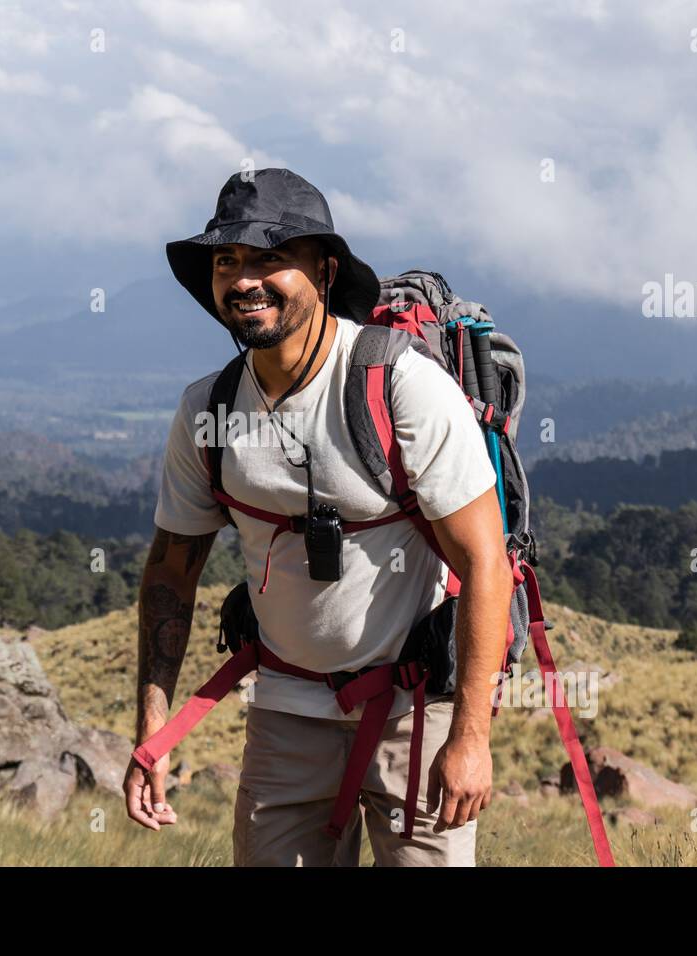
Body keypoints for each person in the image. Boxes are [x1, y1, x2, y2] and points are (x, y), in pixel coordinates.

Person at [123, 168, 514, 866]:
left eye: (270, 258)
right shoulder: (207, 411)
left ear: (325, 270)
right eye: (226, 260)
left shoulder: (396, 384)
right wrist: (153, 730)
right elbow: (170, 575)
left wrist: (472, 738)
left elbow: (486, 564)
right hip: (285, 715)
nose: (243, 280)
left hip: (413, 715)